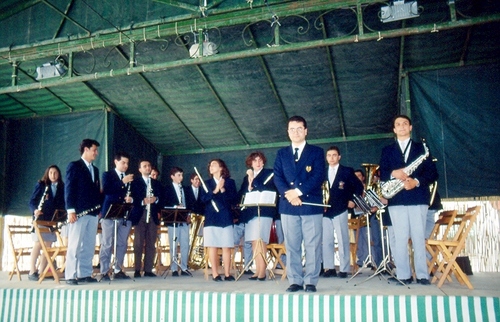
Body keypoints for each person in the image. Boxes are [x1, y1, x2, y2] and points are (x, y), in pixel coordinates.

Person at [379, 115, 438, 285]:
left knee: (419, 238)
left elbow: (433, 173)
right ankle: (403, 274)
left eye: (405, 123)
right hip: (396, 200)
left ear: (410, 128)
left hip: (418, 197)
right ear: (394, 130)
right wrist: (393, 173)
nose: (402, 126)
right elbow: (382, 172)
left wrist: (416, 182)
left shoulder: (422, 148)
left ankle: (422, 275)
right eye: (398, 124)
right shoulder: (387, 150)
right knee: (400, 238)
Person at [273, 115, 325, 293]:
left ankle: (310, 281)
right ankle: (294, 280)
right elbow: (278, 177)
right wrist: (290, 195)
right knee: (292, 245)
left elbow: (318, 176)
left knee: (312, 245)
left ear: (305, 131)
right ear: (288, 132)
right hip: (288, 206)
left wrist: (298, 192)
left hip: (311, 205)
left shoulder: (317, 152)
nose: (295, 132)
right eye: (292, 129)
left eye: (299, 129)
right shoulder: (281, 154)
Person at [64, 139, 102, 285]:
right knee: (75, 244)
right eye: (94, 150)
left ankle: (85, 273)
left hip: (93, 213)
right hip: (78, 212)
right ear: (86, 149)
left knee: (88, 245)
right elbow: (69, 188)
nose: (96, 153)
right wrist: (71, 210)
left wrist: (98, 210)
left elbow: (95, 192)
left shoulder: (95, 170)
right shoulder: (74, 166)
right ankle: (70, 275)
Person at [322, 146, 363, 278]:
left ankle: (344, 269)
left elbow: (359, 186)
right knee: (326, 240)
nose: (332, 158)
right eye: (329, 155)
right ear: (326, 157)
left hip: (341, 208)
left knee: (342, 239)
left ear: (339, 157)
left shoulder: (347, 171)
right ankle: (329, 267)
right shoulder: (322, 171)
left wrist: (353, 200)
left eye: (334, 155)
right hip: (325, 210)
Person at [238, 151, 277, 281]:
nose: (258, 163)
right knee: (254, 242)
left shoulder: (269, 173)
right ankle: (257, 269)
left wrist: (253, 180)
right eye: (255, 161)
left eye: (260, 160)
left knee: (261, 241)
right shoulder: (246, 178)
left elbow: (268, 189)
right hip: (250, 213)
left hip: (264, 212)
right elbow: (242, 194)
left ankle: (262, 271)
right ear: (250, 163)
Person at [200, 159, 238, 281]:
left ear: (221, 168)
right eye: (210, 165)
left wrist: (223, 190)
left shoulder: (230, 182)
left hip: (226, 216)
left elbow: (234, 199)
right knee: (213, 246)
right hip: (211, 217)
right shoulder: (206, 183)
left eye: (214, 165)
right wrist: (215, 190)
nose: (211, 167)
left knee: (226, 246)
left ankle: (227, 273)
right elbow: (203, 199)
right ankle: (215, 274)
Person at [99, 152, 134, 280]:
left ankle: (118, 269)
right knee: (107, 243)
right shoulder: (107, 175)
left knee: (121, 243)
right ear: (116, 162)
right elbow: (107, 190)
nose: (125, 165)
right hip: (109, 213)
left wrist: (131, 199)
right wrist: (122, 182)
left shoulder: (130, 178)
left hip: (124, 214)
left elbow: (134, 193)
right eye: (123, 162)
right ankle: (104, 271)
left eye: (127, 163)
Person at [28, 165, 65, 281]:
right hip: (40, 219)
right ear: (47, 174)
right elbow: (32, 201)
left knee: (48, 246)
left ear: (58, 174)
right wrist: (35, 210)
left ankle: (41, 271)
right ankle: (32, 270)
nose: (53, 175)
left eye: (55, 173)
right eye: (51, 173)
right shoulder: (41, 185)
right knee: (38, 244)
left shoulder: (61, 187)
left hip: (51, 221)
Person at [130, 159, 162, 278]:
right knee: (138, 243)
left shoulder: (156, 183)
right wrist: (143, 201)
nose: (147, 168)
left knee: (150, 242)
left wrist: (156, 199)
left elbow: (161, 199)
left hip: (152, 215)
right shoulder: (135, 182)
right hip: (140, 215)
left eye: (149, 166)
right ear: (140, 169)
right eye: (144, 166)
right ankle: (137, 269)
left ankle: (148, 269)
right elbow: (132, 198)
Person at [163, 167, 191, 276]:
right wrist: (175, 206)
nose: (181, 177)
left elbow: (189, 203)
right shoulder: (167, 189)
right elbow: (164, 203)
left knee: (185, 244)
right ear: (172, 176)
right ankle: (174, 268)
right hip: (173, 220)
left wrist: (188, 214)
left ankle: (184, 267)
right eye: (178, 175)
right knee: (173, 244)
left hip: (184, 220)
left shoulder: (185, 189)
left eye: (182, 175)